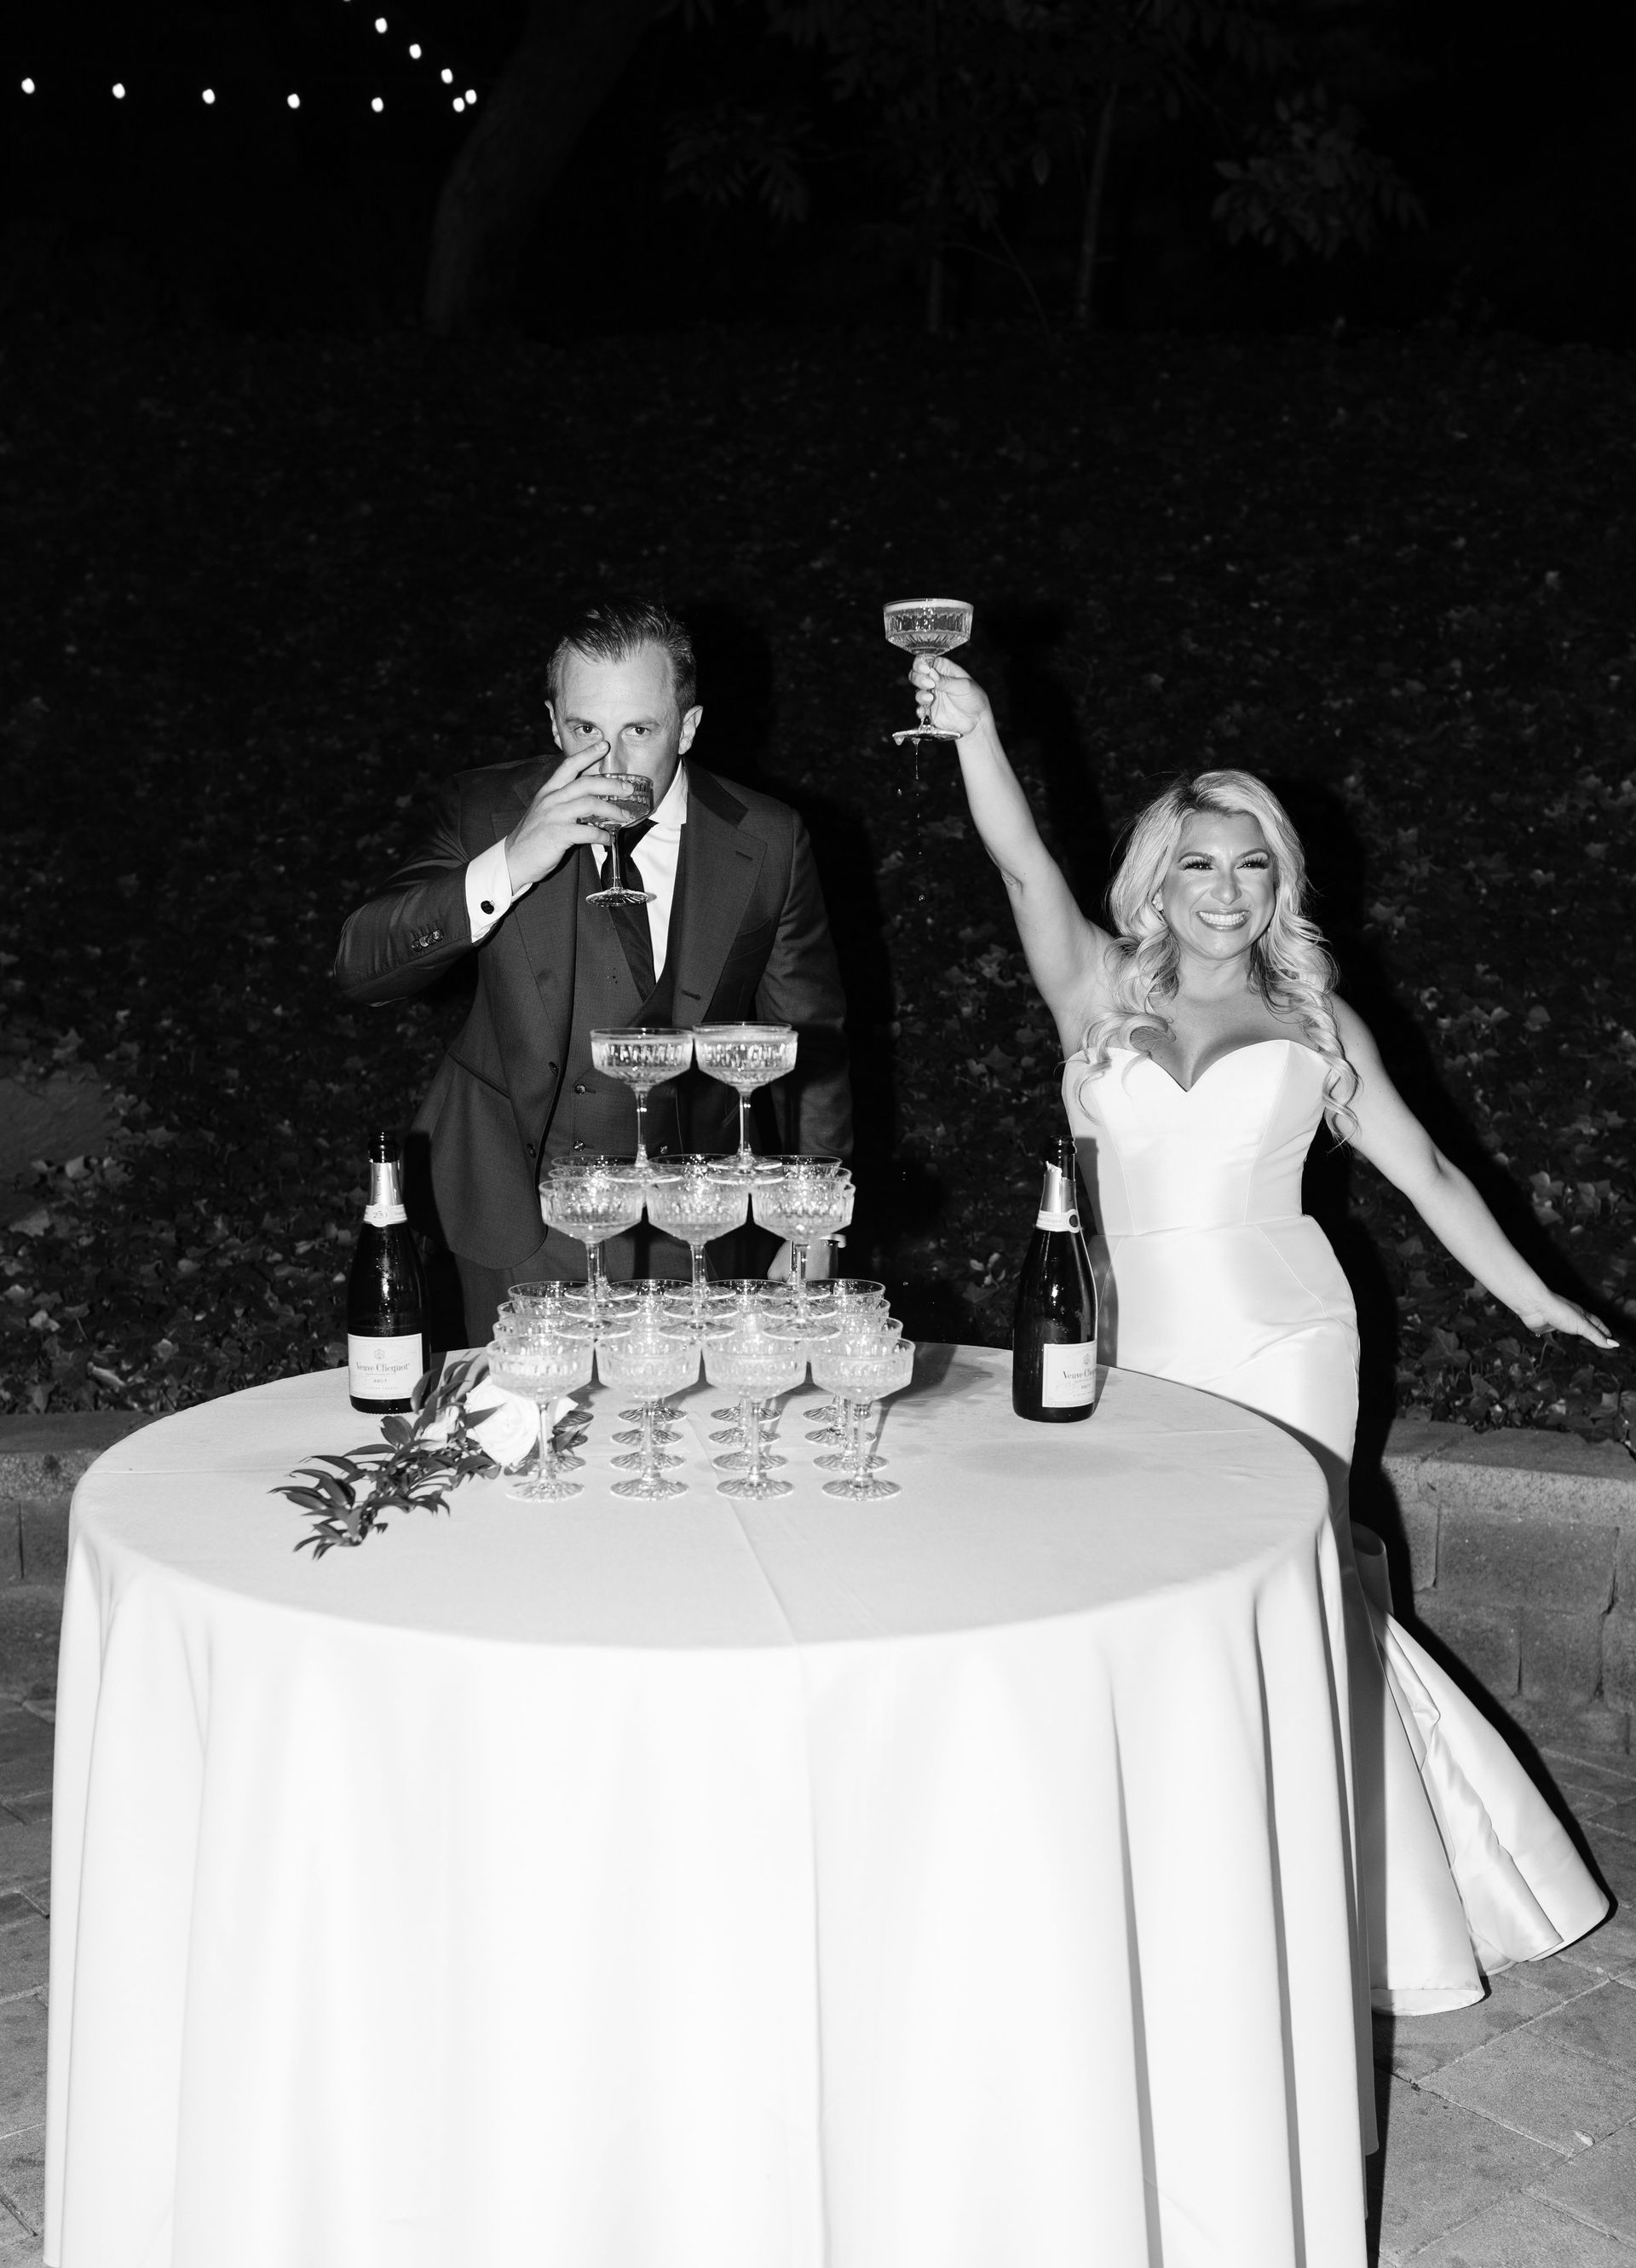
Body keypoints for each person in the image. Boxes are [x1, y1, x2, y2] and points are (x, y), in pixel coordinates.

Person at [913, 645, 1615, 2013]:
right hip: (1131, 1336)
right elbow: (1019, 869)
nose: (1229, 891)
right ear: (1159, 881)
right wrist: (978, 732)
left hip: (1287, 1336)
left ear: (1279, 881)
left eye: (1252, 866)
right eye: (1202, 866)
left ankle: (1346, 1897)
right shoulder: (1097, 992)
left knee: (1292, 1592)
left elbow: (1431, 1172)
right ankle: (1157, 1875)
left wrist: (1530, 1293)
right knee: (1141, 1590)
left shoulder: (1312, 1013)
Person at [335, 600, 851, 1342]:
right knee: (514, 1441)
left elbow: (811, 1044)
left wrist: (812, 1222)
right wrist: (512, 862)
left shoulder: (767, 838)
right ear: (553, 725)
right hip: (514, 1212)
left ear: (690, 727)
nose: (609, 763)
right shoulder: (485, 811)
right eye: (585, 731)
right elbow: (360, 966)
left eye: (639, 730)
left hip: (691, 1213)